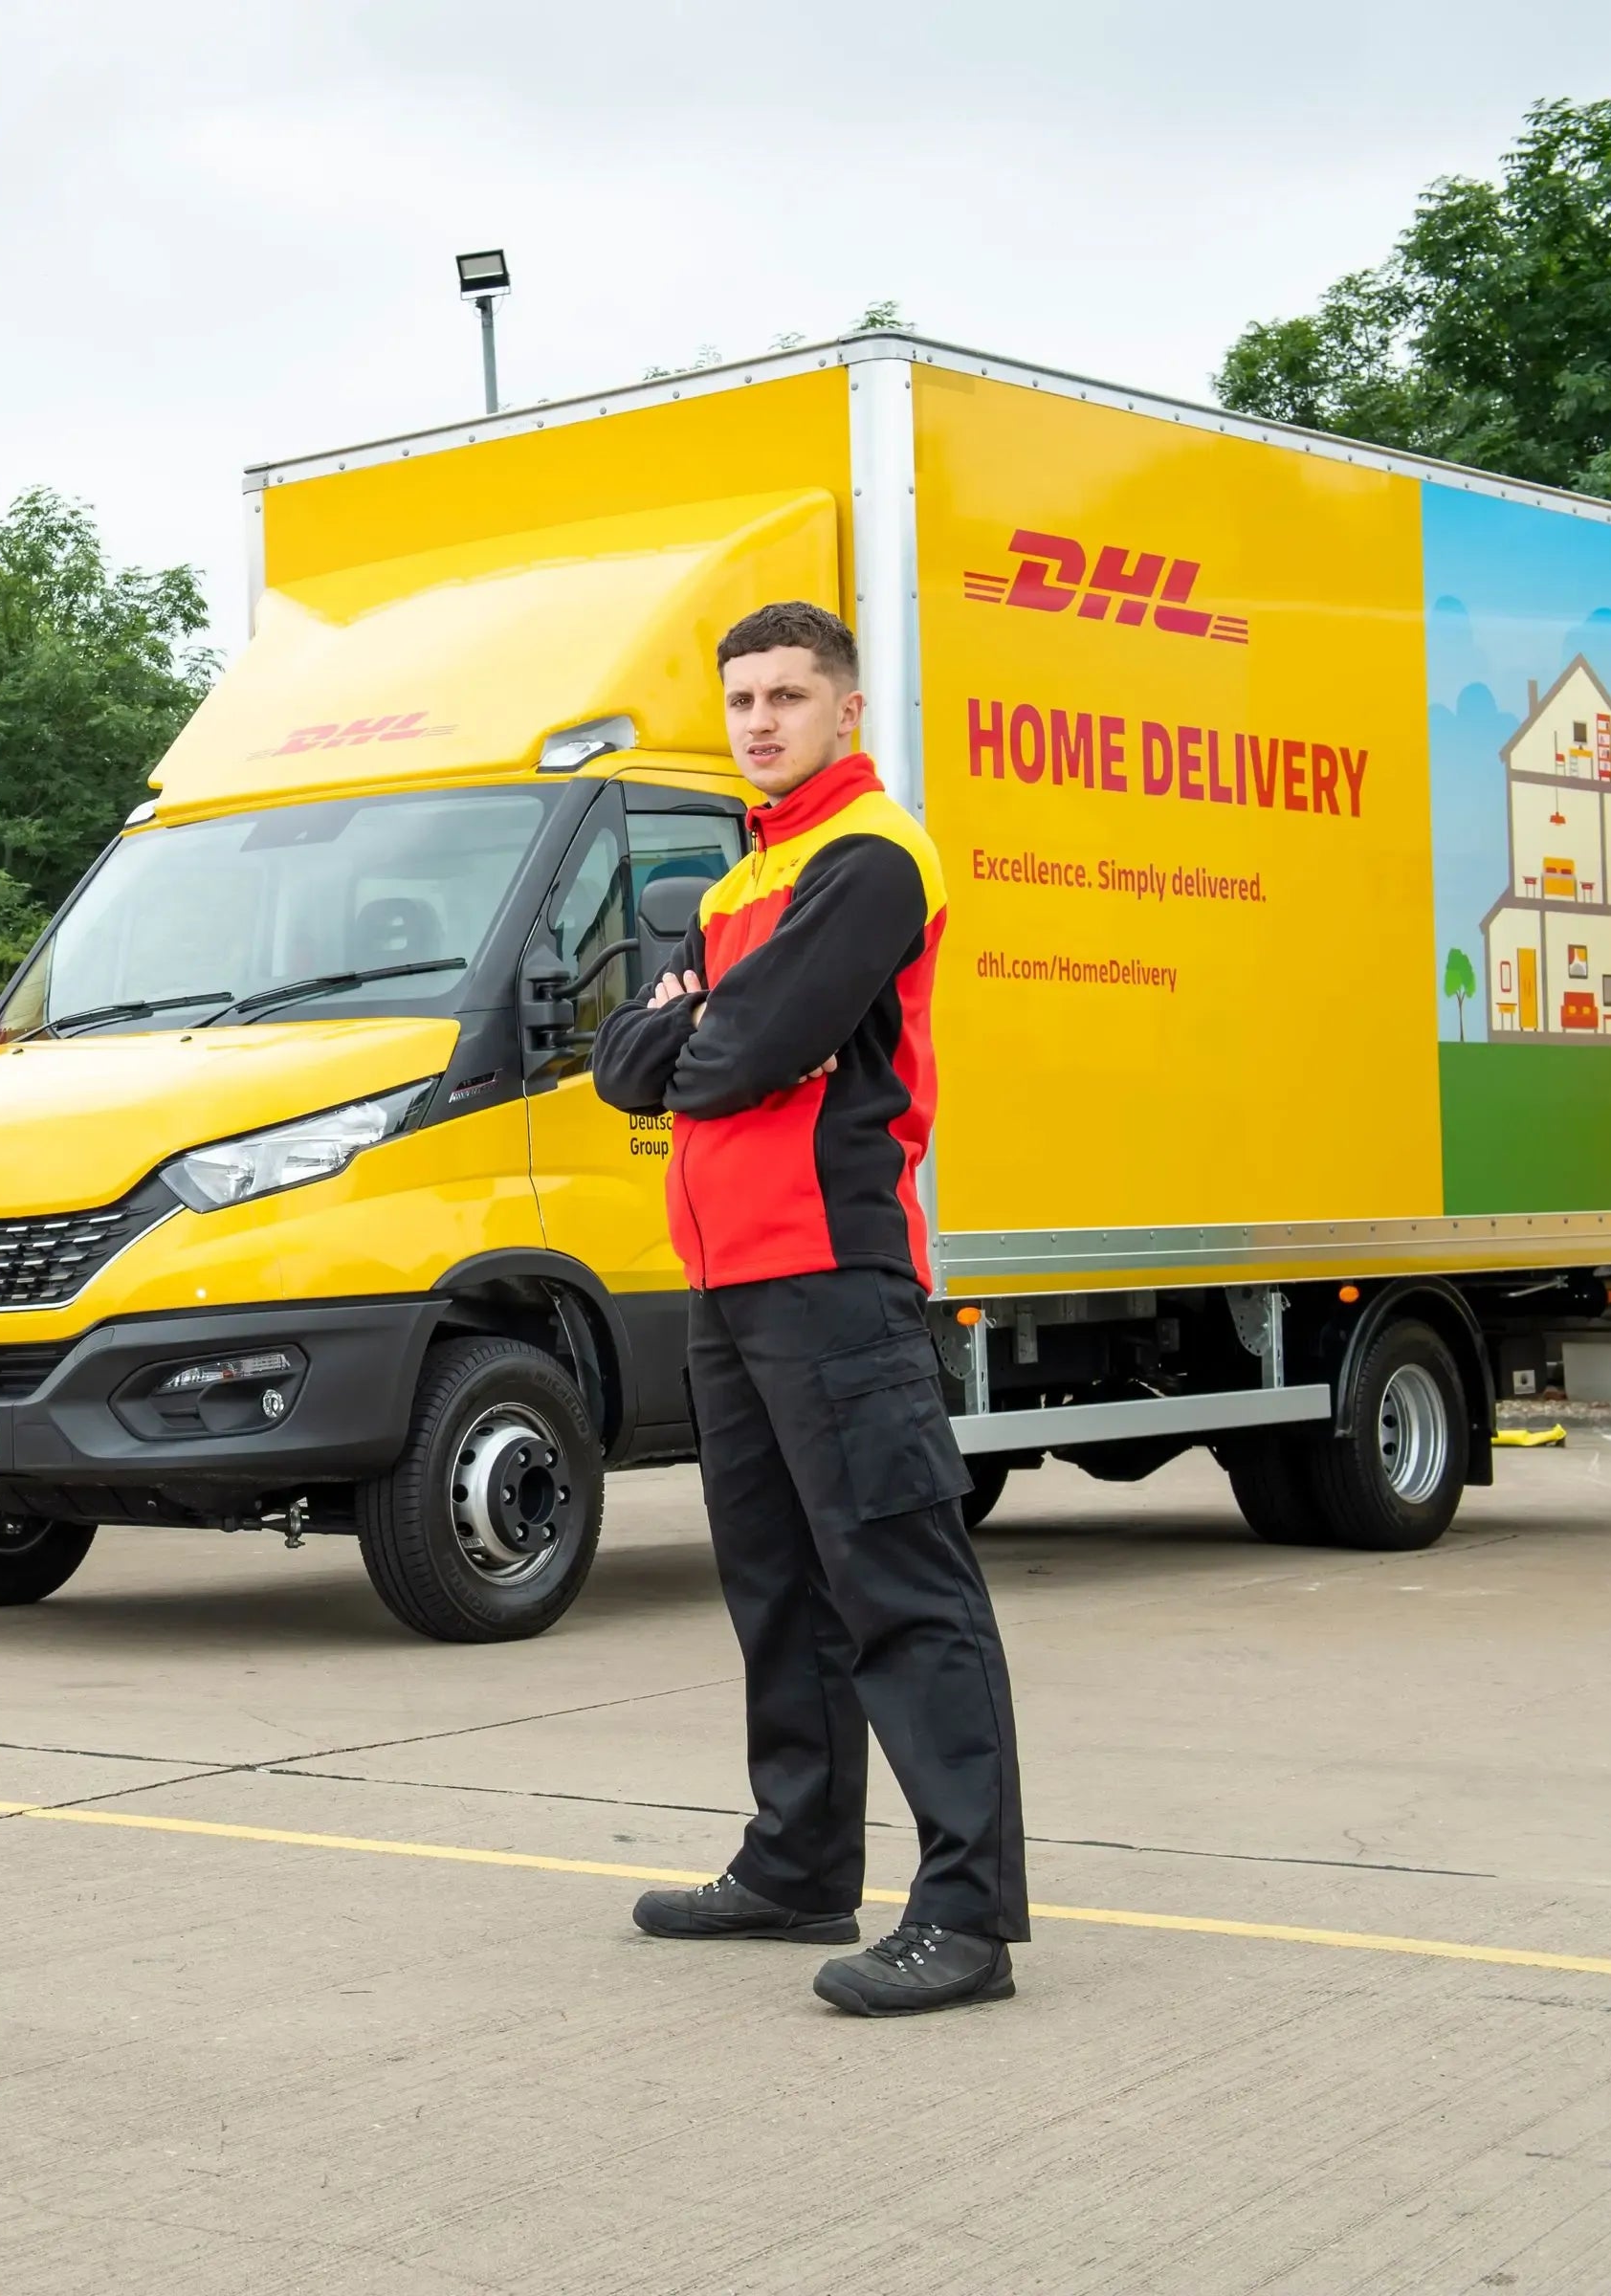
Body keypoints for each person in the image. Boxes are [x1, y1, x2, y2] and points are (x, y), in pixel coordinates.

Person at [590, 600, 1029, 2017]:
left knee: (902, 1588)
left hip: (833, 1272)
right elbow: (627, 1062)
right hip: (726, 1278)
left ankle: (965, 1921)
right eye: (743, 700)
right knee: (777, 1588)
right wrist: (699, 1031)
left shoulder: (873, 857)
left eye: (788, 696)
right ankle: (798, 1867)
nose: (761, 721)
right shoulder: (740, 881)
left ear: (848, 708)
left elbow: (732, 1057)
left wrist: (701, 1031)